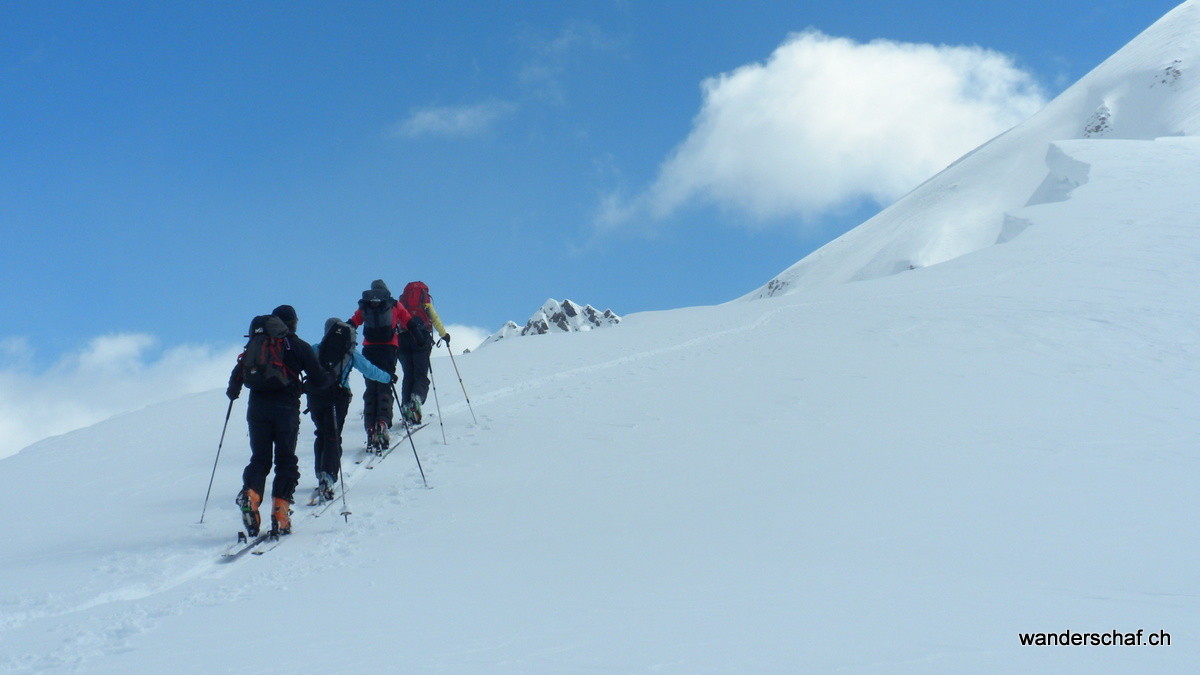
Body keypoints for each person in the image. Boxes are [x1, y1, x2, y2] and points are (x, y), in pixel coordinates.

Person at [227, 304, 328, 536]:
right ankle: (280, 513)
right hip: (286, 408)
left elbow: (237, 376)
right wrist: (319, 382)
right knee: (285, 460)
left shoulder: (257, 343)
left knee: (260, 459)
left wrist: (234, 392)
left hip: (257, 408)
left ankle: (251, 495)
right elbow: (319, 379)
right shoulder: (298, 345)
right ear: (292, 323)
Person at [304, 318, 395, 502]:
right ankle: (328, 477)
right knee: (333, 435)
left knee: (321, 433)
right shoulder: (349, 352)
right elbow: (369, 370)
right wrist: (388, 377)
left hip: (316, 397)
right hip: (339, 397)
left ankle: (320, 472)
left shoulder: (315, 349)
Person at [347, 280, 417, 449]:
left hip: (369, 349)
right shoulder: (393, 304)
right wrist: (419, 336)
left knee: (371, 388)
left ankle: (371, 427)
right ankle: (382, 422)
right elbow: (408, 321)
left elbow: (353, 322)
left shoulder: (365, 305)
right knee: (385, 386)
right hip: (388, 349)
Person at [396, 281, 451, 425]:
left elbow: (395, 321)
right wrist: (443, 334)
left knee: (408, 375)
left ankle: (406, 405)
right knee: (420, 375)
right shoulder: (425, 301)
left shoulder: (402, 302)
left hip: (402, 339)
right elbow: (434, 317)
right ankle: (416, 399)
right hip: (421, 339)